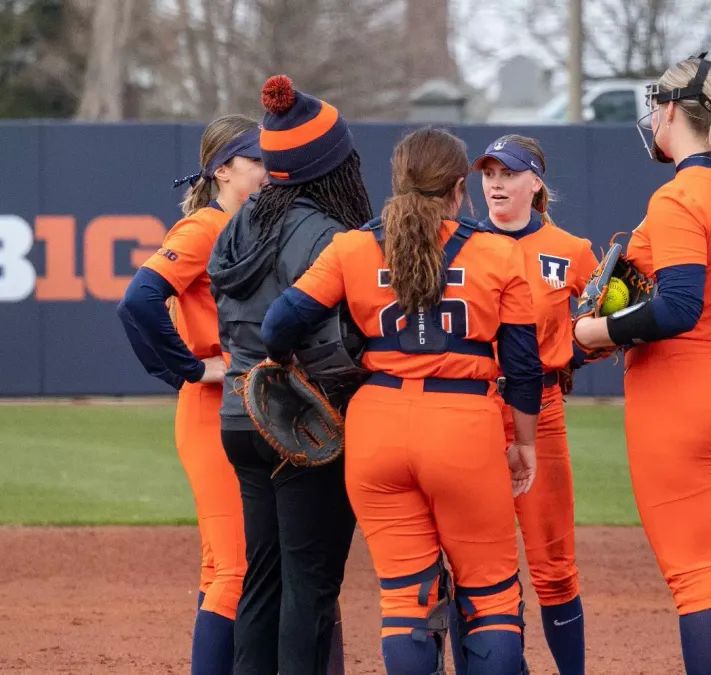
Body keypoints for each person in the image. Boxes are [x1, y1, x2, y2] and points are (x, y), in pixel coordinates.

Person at [258, 126, 542, 675]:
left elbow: (278, 325)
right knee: (489, 595)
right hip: (463, 425)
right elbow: (524, 368)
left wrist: (289, 365)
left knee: (405, 600)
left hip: (377, 426)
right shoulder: (500, 254)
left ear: (396, 181)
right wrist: (523, 443)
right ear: (460, 188)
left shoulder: (351, 247)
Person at [574, 54, 711, 675]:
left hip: (682, 392)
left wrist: (597, 328)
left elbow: (680, 306)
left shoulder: (678, 195)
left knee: (697, 581)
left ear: (667, 111)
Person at [207, 75, 373, 675]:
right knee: (310, 584)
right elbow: (333, 341)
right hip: (302, 422)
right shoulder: (329, 232)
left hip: (239, 413)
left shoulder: (239, 220)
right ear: (330, 165)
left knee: (263, 577)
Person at [117, 114, 262, 675]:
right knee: (236, 570)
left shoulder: (249, 226)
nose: (268, 170)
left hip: (241, 407)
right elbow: (138, 301)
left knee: (219, 567)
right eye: (256, 160)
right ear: (223, 170)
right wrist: (188, 369)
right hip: (209, 410)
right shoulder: (204, 228)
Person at [465, 133, 598, 675]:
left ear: (535, 183)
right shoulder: (462, 243)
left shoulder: (572, 250)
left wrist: (575, 350)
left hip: (540, 410)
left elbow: (603, 324)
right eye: (489, 174)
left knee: (555, 566)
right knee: (474, 564)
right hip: (472, 409)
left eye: (509, 173)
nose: (495, 183)